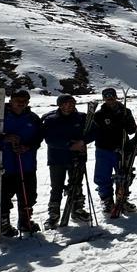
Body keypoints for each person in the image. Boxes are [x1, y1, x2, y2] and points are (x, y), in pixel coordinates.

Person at [0, 89, 43, 235]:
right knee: (4, 196)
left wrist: (27, 147)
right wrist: (5, 138)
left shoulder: (33, 118)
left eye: (24, 101)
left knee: (28, 194)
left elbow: (39, 138)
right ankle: (4, 223)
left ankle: (25, 220)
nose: (21, 104)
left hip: (27, 163)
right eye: (18, 101)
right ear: (11, 101)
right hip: (5, 164)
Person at [41, 94, 91, 227]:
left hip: (77, 157)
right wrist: (70, 145)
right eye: (66, 103)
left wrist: (83, 142)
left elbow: (93, 131)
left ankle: (77, 209)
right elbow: (50, 139)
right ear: (60, 105)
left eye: (72, 103)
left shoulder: (81, 117)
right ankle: (53, 214)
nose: (69, 106)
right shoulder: (51, 120)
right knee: (56, 187)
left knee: (76, 184)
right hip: (57, 159)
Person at [92, 87, 137, 215]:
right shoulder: (99, 115)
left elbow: (132, 130)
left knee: (123, 175)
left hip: (121, 149)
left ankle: (122, 199)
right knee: (102, 176)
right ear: (103, 98)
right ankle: (107, 201)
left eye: (111, 95)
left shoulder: (125, 111)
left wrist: (126, 122)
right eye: (106, 96)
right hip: (103, 149)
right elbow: (94, 131)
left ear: (115, 96)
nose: (109, 98)